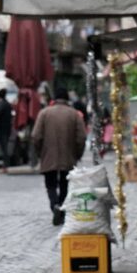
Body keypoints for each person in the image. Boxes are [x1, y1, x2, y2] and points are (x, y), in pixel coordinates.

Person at [31, 87, 86, 225]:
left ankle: (54, 205)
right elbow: (81, 137)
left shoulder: (44, 113)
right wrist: (77, 154)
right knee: (64, 183)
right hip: (68, 155)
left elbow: (36, 136)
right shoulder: (74, 114)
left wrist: (40, 153)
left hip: (48, 155)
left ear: (54, 99)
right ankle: (61, 207)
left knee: (50, 184)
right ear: (67, 98)